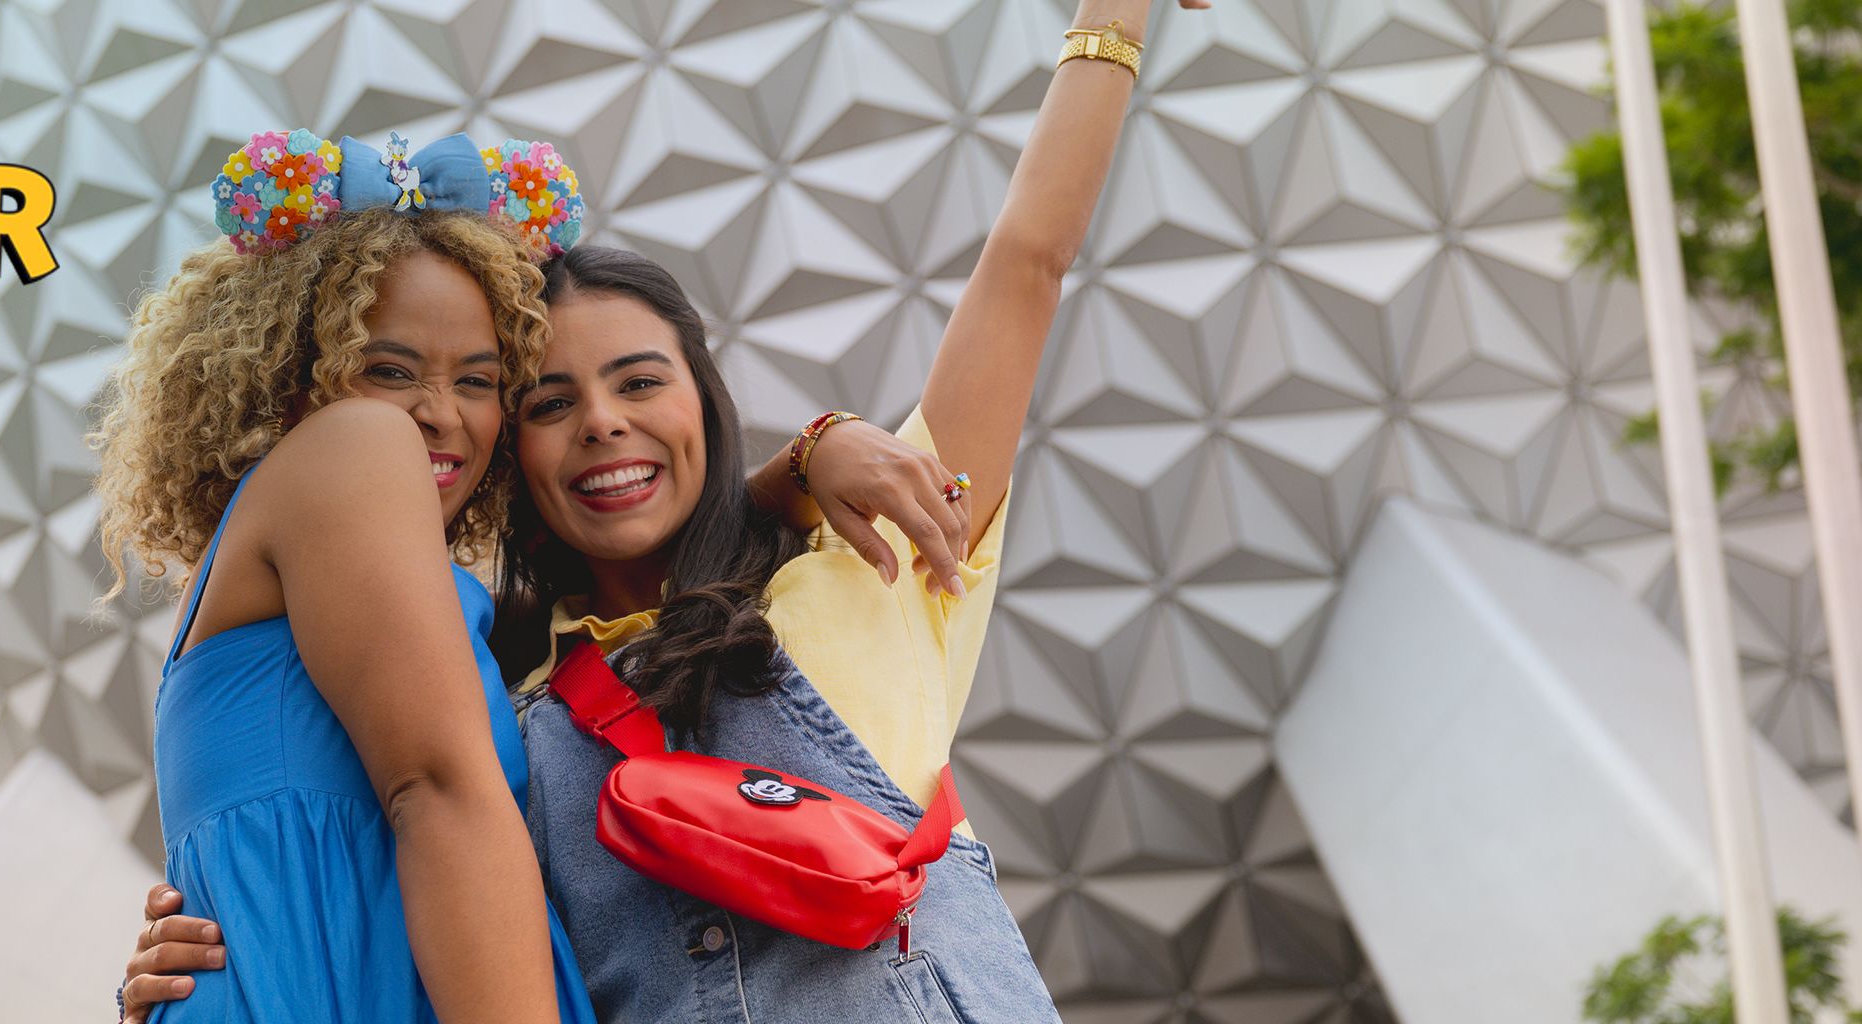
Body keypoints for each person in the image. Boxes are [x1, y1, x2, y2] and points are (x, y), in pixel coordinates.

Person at [124, 5, 1199, 1015]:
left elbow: (1025, 266)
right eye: (549, 400)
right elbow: (372, 862)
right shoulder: (504, 701)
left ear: (703, 400)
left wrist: (1112, 21)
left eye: (640, 383)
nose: (601, 423)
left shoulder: (876, 569)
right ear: (518, 452)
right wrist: (196, 962)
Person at [99, 129, 973, 1023]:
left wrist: (798, 468)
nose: (436, 414)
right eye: (387, 370)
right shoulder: (356, 447)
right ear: (292, 371)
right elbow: (437, 793)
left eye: (479, 382)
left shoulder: (372, 589)